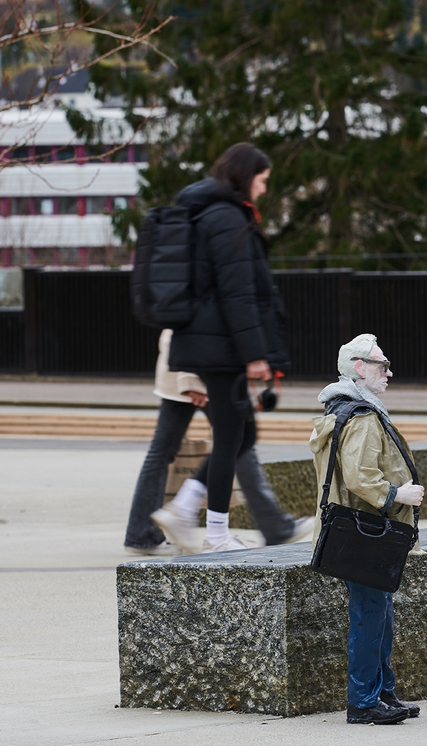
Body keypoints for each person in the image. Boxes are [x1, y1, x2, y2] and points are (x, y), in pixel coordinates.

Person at [151, 141, 291, 553]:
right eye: (263, 180)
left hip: (214, 343)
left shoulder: (213, 213)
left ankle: (183, 508)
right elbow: (238, 296)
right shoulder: (227, 219)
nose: (264, 189)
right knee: (232, 436)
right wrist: (255, 355)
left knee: (243, 434)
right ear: (247, 176)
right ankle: (214, 535)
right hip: (223, 347)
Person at [309, 333, 426, 725]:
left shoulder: (349, 409)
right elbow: (360, 477)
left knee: (380, 615)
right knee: (369, 615)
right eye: (382, 365)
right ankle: (363, 702)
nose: (389, 372)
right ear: (359, 368)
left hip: (360, 530)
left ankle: (383, 694)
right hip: (365, 531)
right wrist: (399, 493)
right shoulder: (359, 415)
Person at [125, 329, 311, 555]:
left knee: (224, 442)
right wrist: (190, 378)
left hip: (191, 363)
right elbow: (191, 316)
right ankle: (272, 526)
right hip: (199, 366)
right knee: (238, 440)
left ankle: (143, 532)